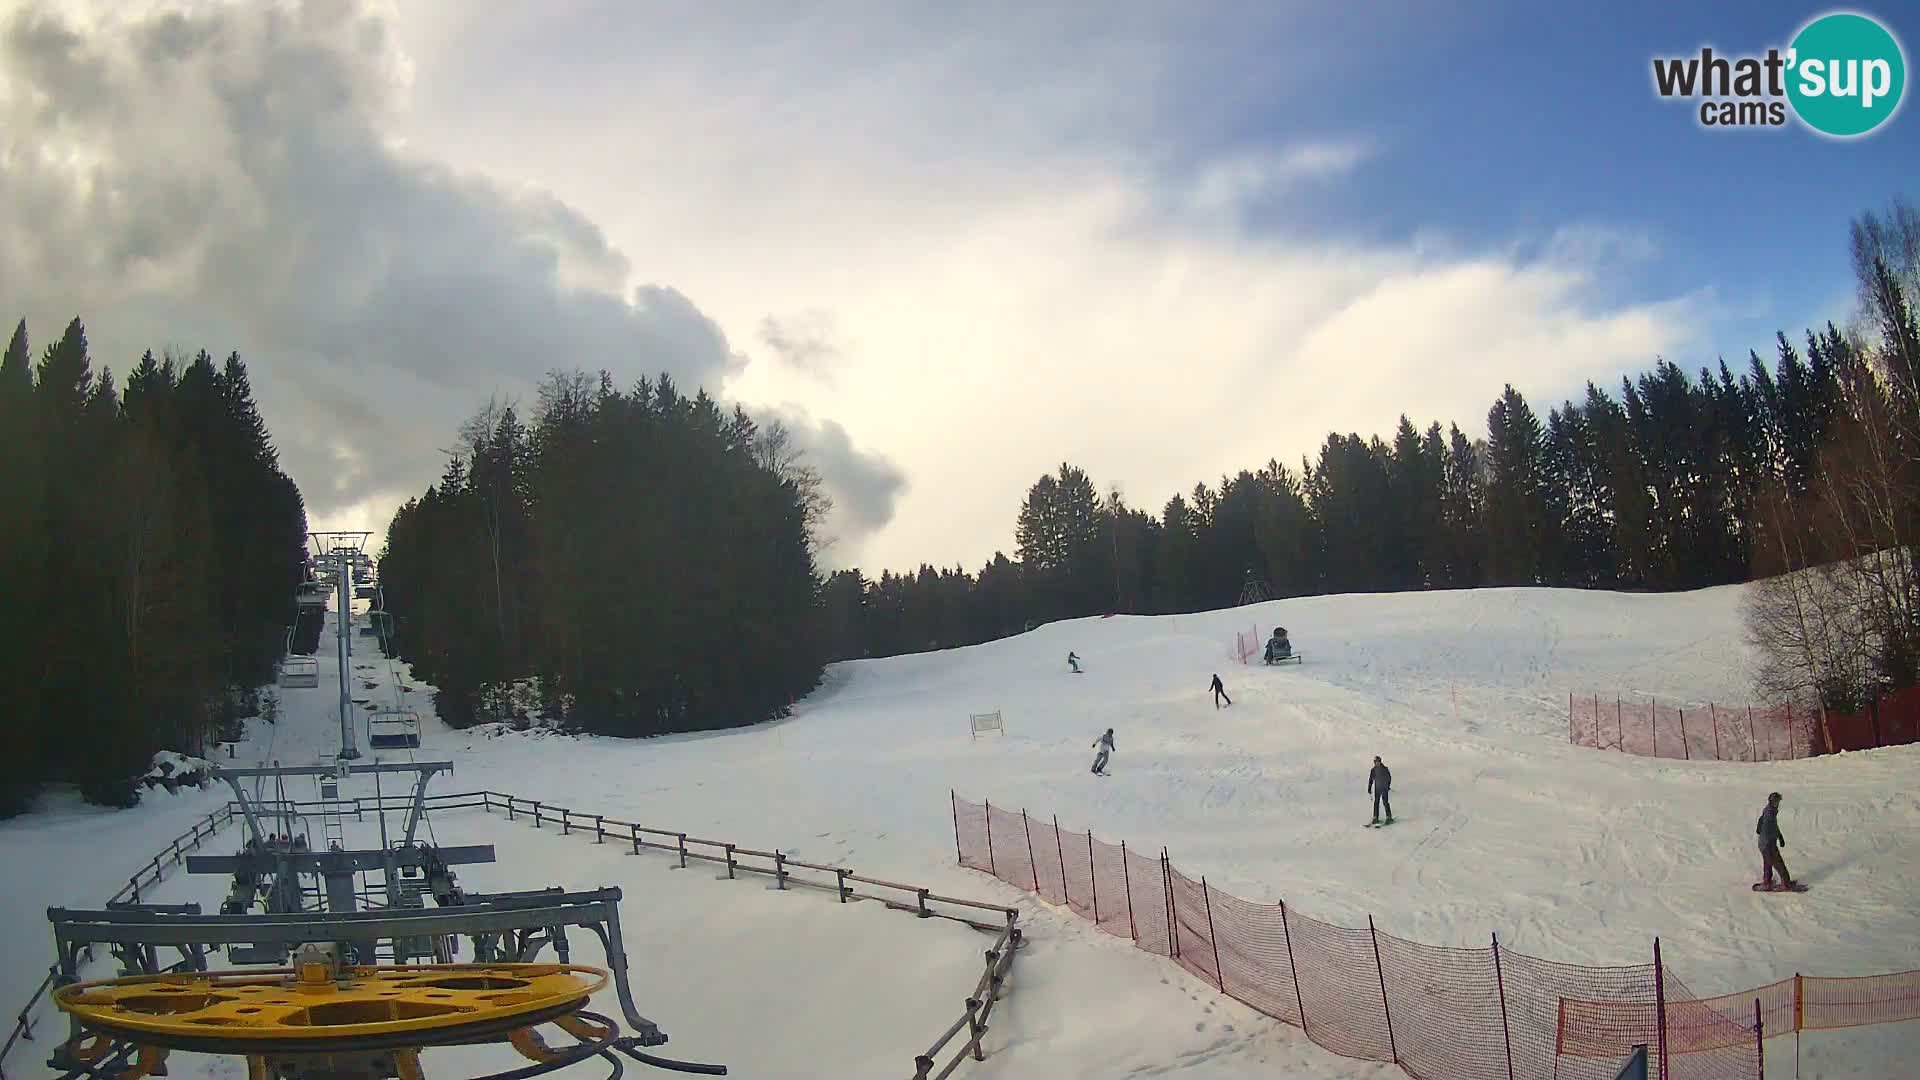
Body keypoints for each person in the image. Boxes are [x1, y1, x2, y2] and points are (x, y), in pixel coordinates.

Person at [1757, 791, 1793, 889]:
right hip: (1768, 844)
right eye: (1776, 802)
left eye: (1778, 802)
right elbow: (1768, 828)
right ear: (1772, 802)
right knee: (1778, 863)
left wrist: (1780, 836)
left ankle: (1767, 882)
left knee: (1768, 862)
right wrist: (1775, 838)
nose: (1778, 804)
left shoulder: (1769, 811)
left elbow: (1767, 824)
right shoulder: (1769, 813)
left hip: (1764, 844)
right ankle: (1786, 884)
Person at [1368, 756, 1393, 824]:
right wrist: (1369, 788)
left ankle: (1389, 817)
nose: (1377, 763)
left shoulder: (1385, 769)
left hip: (1384, 788)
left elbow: (1389, 778)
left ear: (1380, 761)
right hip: (1377, 788)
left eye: (1378, 762)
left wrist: (1387, 786)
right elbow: (1371, 780)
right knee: (1376, 803)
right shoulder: (1373, 770)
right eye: (1376, 762)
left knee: (1385, 802)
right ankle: (1375, 817)